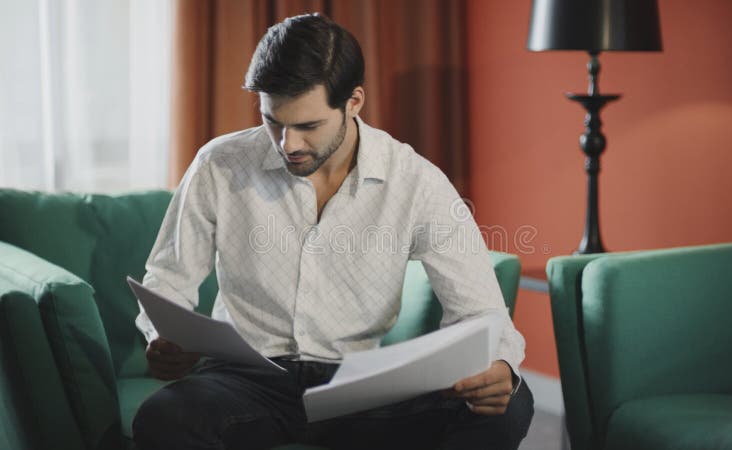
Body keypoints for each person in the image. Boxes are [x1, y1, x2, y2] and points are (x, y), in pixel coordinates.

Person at [132, 13, 533, 450]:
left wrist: (500, 366)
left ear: (354, 102)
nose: (288, 144)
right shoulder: (220, 164)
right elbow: (168, 279)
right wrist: (163, 338)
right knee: (163, 419)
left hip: (361, 388)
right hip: (244, 380)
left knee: (511, 402)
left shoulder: (416, 181)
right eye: (273, 121)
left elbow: (482, 312)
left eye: (308, 126)